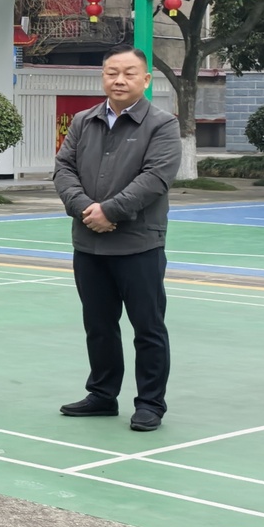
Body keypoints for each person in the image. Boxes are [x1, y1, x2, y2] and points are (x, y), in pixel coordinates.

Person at [52, 45, 181, 432]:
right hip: (89, 244)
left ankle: (150, 404)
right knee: (99, 324)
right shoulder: (83, 120)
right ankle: (103, 395)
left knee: (148, 326)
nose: (119, 79)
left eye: (128, 73)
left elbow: (155, 179)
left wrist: (111, 211)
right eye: (111, 72)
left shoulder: (162, 124)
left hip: (139, 243)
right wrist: (84, 209)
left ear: (145, 79)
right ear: (103, 77)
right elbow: (63, 169)